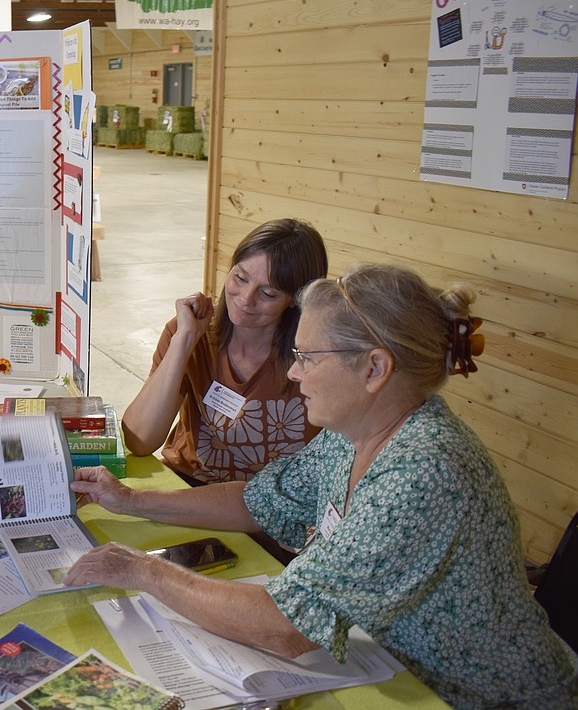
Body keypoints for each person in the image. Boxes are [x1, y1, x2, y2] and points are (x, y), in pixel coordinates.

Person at [64, 264, 578, 709]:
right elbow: (259, 499)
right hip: (390, 666)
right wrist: (130, 500)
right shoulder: (356, 431)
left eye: (309, 357)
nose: (293, 371)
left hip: (469, 698)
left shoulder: (424, 473)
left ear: (375, 368)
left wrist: (144, 571)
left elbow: (285, 628)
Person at [122, 219, 328, 485]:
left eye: (267, 293)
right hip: (189, 485)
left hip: (268, 509)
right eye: (240, 278)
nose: (245, 299)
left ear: (295, 302)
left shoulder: (319, 356)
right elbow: (139, 439)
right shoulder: (191, 333)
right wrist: (185, 339)